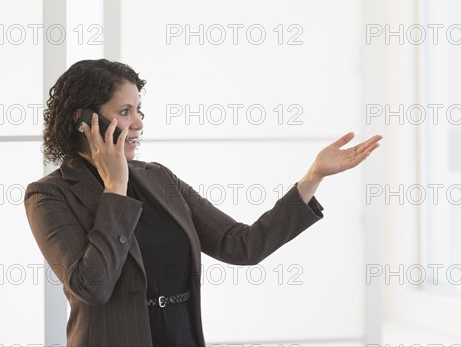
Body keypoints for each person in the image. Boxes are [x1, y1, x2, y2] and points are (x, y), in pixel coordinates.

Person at [24, 59, 383, 347]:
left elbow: (241, 245)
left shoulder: (158, 178)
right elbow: (92, 287)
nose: (138, 123)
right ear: (82, 120)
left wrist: (313, 176)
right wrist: (115, 185)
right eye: (124, 111)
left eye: (139, 110)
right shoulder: (50, 196)